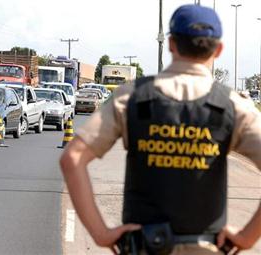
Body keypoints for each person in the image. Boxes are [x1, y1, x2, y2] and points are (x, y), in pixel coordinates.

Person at [60, 4, 261, 255]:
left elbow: (73, 158)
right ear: (219, 49)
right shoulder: (233, 106)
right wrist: (246, 237)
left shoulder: (132, 97)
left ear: (171, 44)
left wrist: (101, 234)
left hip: (143, 246)